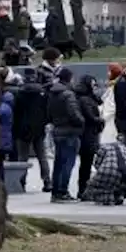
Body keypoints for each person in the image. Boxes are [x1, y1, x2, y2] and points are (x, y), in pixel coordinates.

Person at [46, 67, 84, 203]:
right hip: (70, 131)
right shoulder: (68, 94)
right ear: (69, 78)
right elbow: (74, 113)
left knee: (58, 163)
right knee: (68, 162)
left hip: (57, 130)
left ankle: (56, 192)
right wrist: (82, 121)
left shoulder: (52, 93)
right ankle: (63, 191)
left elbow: (48, 113)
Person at [13, 67, 51, 192]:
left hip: (22, 129)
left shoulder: (19, 93)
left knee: (22, 157)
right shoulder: (42, 92)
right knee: (42, 156)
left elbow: (17, 113)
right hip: (39, 128)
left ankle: (21, 182)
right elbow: (45, 111)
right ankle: (47, 181)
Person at [81, 140, 126, 205]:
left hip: (105, 173)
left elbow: (97, 164)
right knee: (122, 182)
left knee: (93, 184)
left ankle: (104, 197)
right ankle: (119, 196)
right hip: (124, 176)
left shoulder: (103, 148)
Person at [74, 74, 105, 198]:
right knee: (86, 164)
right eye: (93, 85)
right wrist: (100, 120)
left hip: (90, 133)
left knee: (87, 163)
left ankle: (84, 189)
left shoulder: (89, 98)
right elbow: (90, 116)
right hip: (88, 134)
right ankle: (83, 189)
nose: (95, 87)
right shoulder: (85, 99)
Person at [0, 89, 15, 182]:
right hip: (5, 140)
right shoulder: (8, 107)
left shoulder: (3, 108)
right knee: (0, 163)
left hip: (1, 140)